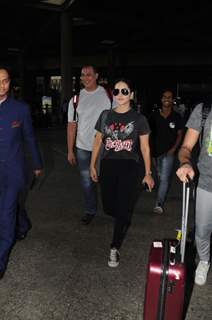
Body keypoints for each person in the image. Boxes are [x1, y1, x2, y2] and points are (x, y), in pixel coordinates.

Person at [90, 78, 154, 267]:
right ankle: (123, 216)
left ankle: (114, 247)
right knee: (109, 206)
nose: (120, 95)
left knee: (122, 207)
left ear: (131, 95)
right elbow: (97, 142)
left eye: (124, 91)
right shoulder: (105, 116)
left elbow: (145, 148)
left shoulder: (139, 119)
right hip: (108, 164)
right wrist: (92, 165)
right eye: (116, 91)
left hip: (129, 166)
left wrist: (148, 172)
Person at [0, 66, 42, 279]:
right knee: (14, 207)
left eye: (5, 81)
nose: (2, 85)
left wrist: (36, 164)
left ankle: (0, 261)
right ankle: (23, 224)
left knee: (5, 215)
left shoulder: (20, 109)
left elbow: (29, 138)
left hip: (13, 171)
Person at [67, 65, 112, 225]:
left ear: (96, 76)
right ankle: (90, 210)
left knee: (107, 180)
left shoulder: (108, 95)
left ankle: (112, 209)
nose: (86, 77)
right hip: (83, 148)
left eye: (89, 74)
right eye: (83, 75)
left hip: (105, 147)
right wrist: (70, 151)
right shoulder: (76, 99)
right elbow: (72, 126)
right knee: (87, 183)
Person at [176, 101, 212, 286]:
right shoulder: (204, 110)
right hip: (207, 182)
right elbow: (186, 148)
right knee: (202, 229)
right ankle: (204, 260)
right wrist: (185, 163)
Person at [149, 90, 184, 214]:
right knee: (159, 175)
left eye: (169, 97)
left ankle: (159, 203)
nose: (167, 99)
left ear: (172, 100)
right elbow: (148, 134)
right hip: (155, 152)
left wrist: (174, 149)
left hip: (169, 153)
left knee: (164, 178)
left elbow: (180, 135)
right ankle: (161, 193)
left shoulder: (177, 117)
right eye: (165, 97)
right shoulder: (154, 116)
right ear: (161, 99)